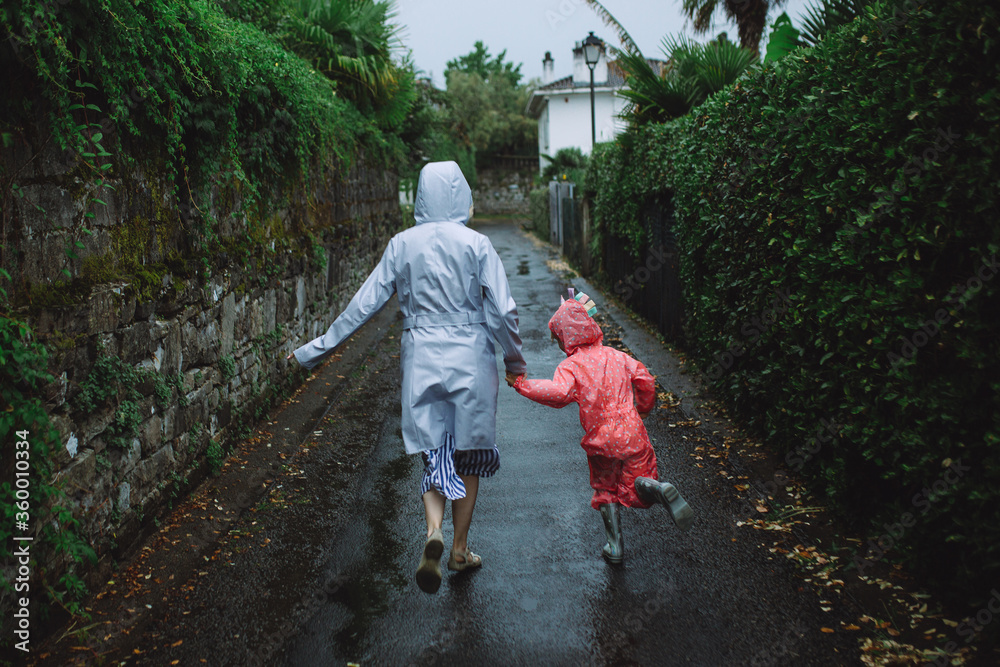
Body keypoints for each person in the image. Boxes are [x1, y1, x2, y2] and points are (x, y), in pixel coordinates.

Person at [288, 161, 526, 593]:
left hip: (421, 357)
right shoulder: (477, 244)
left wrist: (317, 349)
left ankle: (432, 530)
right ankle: (459, 548)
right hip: (471, 357)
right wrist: (514, 361)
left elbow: (364, 303)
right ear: (461, 195)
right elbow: (504, 309)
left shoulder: (402, 244)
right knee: (468, 455)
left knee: (434, 452)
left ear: (420, 196)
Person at [507, 291, 692, 564]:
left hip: (601, 442)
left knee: (606, 489)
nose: (559, 345)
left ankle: (615, 546)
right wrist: (642, 407)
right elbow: (645, 379)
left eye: (559, 339)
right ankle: (656, 487)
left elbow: (557, 393)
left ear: (568, 337)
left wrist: (522, 384)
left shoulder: (571, 366)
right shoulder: (618, 356)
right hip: (632, 434)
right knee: (636, 485)